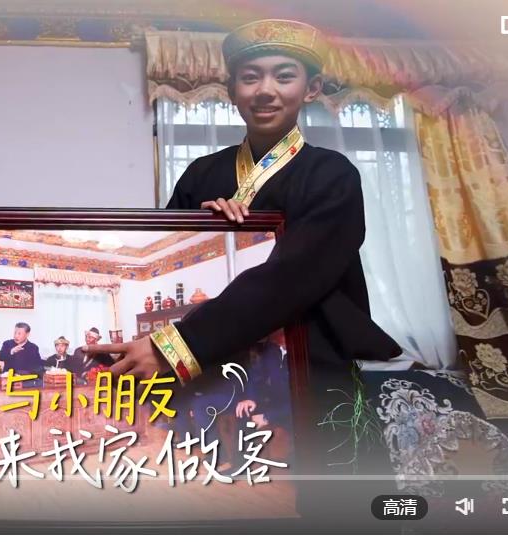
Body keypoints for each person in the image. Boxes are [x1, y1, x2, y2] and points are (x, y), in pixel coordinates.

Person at [84, 19, 401, 471]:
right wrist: (204, 228)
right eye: (250, 77)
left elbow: (297, 274)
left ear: (311, 89)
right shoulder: (202, 174)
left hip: (307, 354)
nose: (265, 90)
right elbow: (170, 246)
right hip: (217, 358)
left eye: (284, 76)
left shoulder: (332, 175)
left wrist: (176, 347)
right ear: (231, 90)